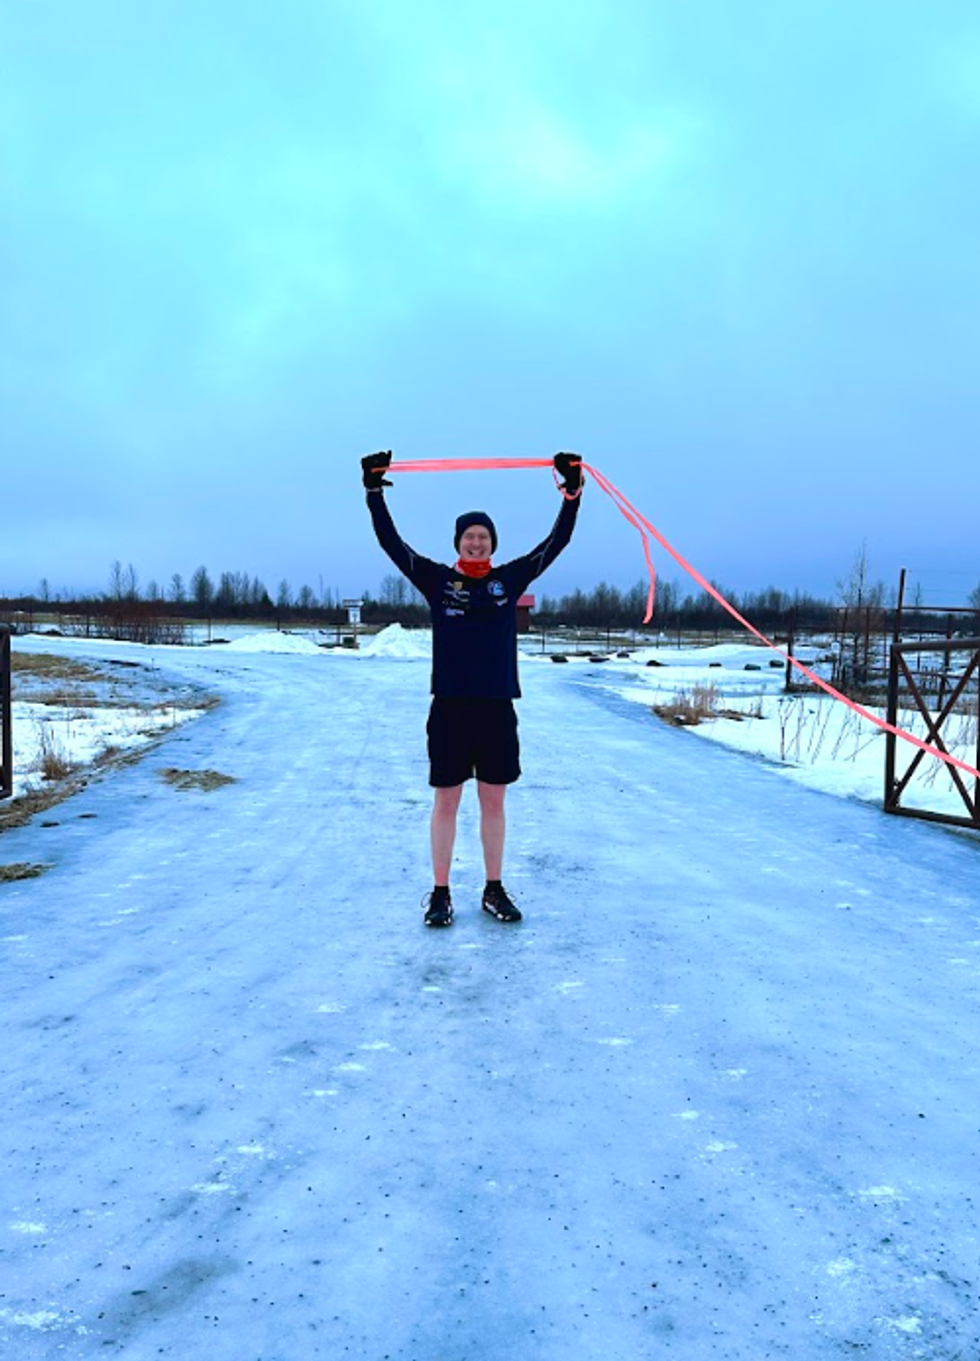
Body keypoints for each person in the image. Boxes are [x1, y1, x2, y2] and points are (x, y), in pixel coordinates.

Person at [362, 449, 583, 927]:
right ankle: (440, 893)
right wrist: (374, 492)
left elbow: (557, 541)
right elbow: (391, 544)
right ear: (458, 543)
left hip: (497, 708)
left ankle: (493, 888)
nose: (477, 543)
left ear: (493, 544)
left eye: (484, 537)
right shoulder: (438, 582)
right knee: (446, 800)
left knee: (493, 801)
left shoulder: (510, 580)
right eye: (469, 537)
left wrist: (572, 493)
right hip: (451, 708)